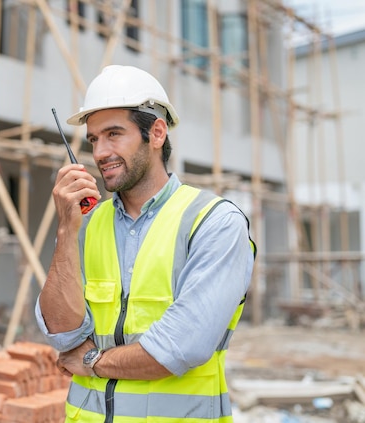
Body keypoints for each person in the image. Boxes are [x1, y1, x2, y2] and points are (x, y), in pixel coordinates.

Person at [35, 65, 256, 422]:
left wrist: (92, 361)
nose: (101, 151)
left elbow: (179, 347)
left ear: (156, 133)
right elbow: (62, 335)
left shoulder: (213, 222)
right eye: (93, 139)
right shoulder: (90, 225)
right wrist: (65, 230)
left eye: (114, 134)